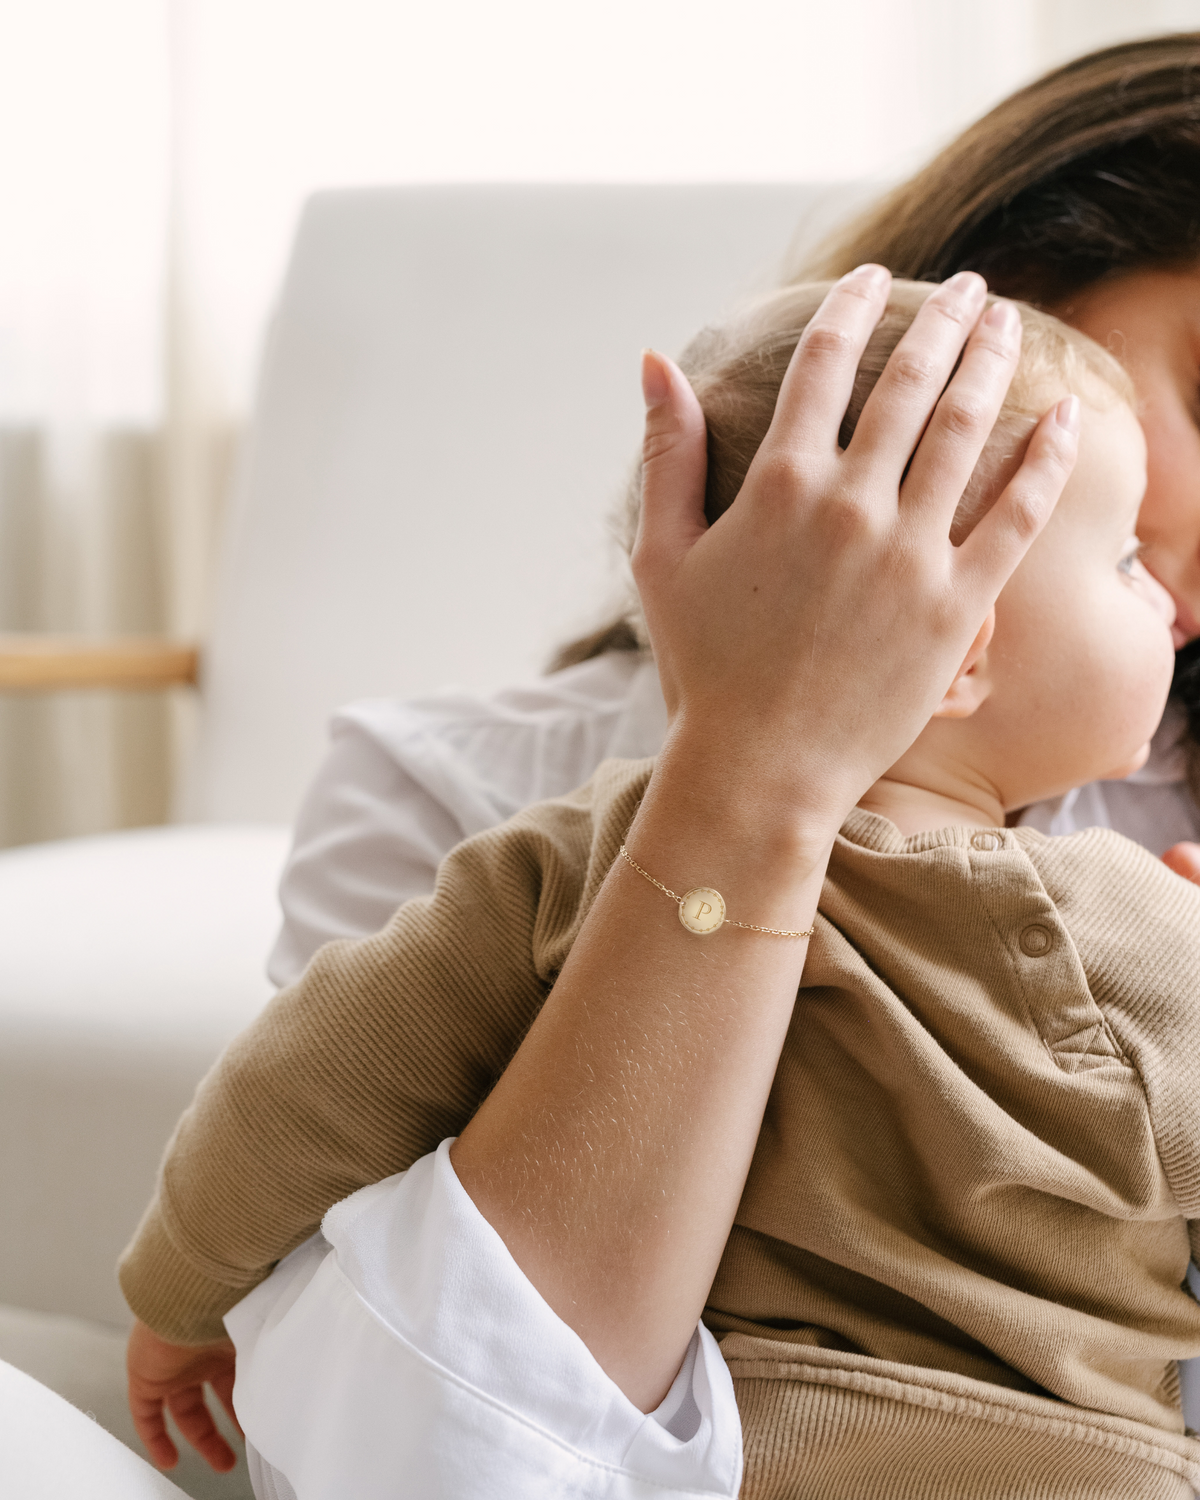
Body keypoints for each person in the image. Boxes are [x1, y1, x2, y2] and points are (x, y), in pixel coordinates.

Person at [122, 272, 1200, 1498]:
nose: (1169, 609)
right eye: (1125, 563)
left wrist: (178, 1292)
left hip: (743, 1443)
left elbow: (305, 1086)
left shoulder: (572, 859)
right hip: (1068, 1469)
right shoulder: (1127, 930)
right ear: (958, 652)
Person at [265, 32, 1200, 1000]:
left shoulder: (1153, 869)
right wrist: (751, 779)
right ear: (1007, 281)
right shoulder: (449, 815)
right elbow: (302, 1155)